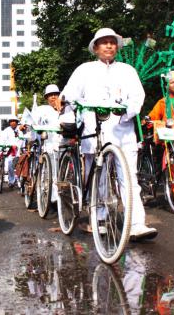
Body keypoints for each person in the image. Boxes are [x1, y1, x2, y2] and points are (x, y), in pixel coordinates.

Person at [58, 28, 158, 239]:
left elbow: (137, 97)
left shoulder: (127, 70)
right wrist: (66, 110)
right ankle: (99, 218)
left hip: (123, 131)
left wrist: (126, 112)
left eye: (112, 42)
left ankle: (136, 224)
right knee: (98, 177)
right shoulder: (84, 70)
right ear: (95, 48)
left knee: (129, 178)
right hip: (94, 129)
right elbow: (69, 94)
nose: (109, 46)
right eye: (104, 42)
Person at [0, 116, 22, 187]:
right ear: (9, 123)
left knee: (21, 166)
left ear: (17, 122)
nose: (13, 123)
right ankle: (11, 181)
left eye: (14, 121)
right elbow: (1, 139)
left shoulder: (20, 129)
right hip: (10, 151)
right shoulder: (6, 130)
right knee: (10, 165)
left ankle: (20, 181)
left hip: (20, 150)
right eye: (11, 121)